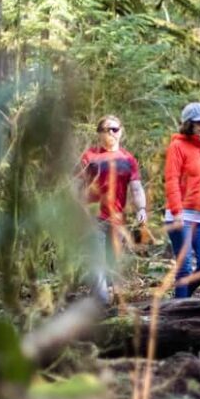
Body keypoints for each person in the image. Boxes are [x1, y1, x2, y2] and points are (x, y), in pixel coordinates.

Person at [77, 115, 147, 304]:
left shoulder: (128, 159)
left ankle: (112, 298)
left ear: (121, 131)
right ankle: (102, 302)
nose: (111, 133)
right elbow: (77, 186)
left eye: (115, 129)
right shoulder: (90, 157)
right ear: (99, 133)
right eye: (106, 130)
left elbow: (136, 187)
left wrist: (141, 208)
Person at [164, 102, 200, 298]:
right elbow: (172, 180)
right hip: (181, 214)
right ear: (188, 124)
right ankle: (180, 306)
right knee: (184, 266)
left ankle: (182, 297)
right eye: (198, 122)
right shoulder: (177, 146)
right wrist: (177, 212)